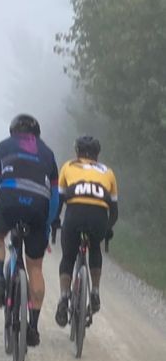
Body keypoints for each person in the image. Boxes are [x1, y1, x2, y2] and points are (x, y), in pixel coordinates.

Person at [0, 114, 59, 346]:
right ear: (37, 134)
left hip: (9, 201)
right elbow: (55, 197)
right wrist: (47, 224)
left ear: (13, 131)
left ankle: (0, 278)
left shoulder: (2, 147)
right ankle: (33, 326)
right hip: (38, 207)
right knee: (35, 267)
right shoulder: (48, 154)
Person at [53, 135, 118, 327]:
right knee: (95, 249)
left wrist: (55, 221)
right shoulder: (108, 172)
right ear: (97, 155)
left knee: (68, 257)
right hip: (98, 217)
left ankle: (64, 298)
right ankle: (95, 292)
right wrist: (108, 228)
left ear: (77, 152)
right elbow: (114, 211)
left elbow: (59, 201)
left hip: (75, 215)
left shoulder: (68, 166)